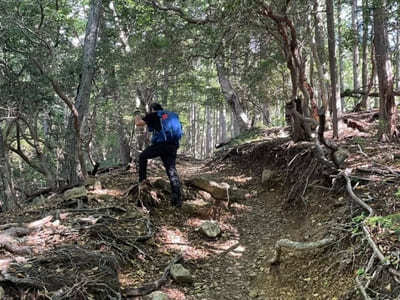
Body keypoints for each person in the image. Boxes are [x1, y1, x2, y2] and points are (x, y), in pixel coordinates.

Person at [134, 103, 182, 207]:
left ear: (152, 109)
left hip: (161, 145)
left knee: (143, 156)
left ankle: (142, 184)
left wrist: (137, 112)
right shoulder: (169, 115)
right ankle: (177, 199)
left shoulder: (154, 115)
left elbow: (138, 123)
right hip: (173, 145)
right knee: (171, 170)